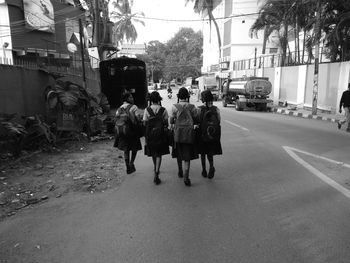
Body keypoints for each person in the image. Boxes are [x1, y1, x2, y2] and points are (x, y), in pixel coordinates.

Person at [170, 87, 198, 187]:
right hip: (189, 134)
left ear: (178, 96)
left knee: (179, 154)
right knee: (187, 157)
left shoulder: (174, 107)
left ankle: (180, 170)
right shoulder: (192, 107)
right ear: (187, 96)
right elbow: (196, 119)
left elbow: (171, 121)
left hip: (178, 134)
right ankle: (186, 177)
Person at [143, 91, 170, 185]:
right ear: (159, 99)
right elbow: (166, 123)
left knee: (153, 152)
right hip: (160, 134)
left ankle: (155, 168)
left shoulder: (147, 110)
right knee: (159, 154)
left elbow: (144, 123)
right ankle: (157, 172)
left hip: (150, 135)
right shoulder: (163, 110)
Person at [114, 92, 143, 174]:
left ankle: (127, 166)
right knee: (135, 148)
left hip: (122, 131)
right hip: (132, 131)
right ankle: (131, 163)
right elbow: (138, 118)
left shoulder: (119, 108)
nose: (132, 99)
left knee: (126, 149)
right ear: (127, 99)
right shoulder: (134, 107)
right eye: (131, 97)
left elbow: (116, 119)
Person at [197, 90, 223, 179]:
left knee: (203, 153)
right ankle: (211, 166)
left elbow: (197, 121)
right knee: (210, 153)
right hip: (212, 134)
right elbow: (219, 121)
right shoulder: (216, 109)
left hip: (202, 134)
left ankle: (204, 170)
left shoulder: (199, 109)